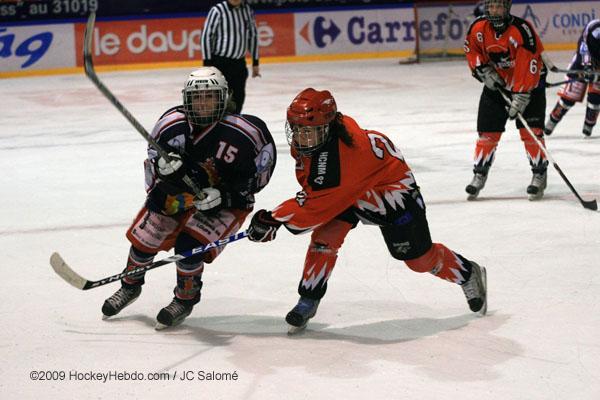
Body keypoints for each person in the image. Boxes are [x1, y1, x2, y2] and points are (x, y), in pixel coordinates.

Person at [246, 88, 487, 333]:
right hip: (351, 193)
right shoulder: (322, 137)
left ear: (327, 126)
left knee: (418, 260)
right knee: (324, 239)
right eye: (296, 129)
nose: (300, 137)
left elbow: (316, 205)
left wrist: (273, 218)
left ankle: (467, 272)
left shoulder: (348, 156)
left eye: (307, 131)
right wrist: (283, 214)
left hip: (391, 198)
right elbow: (316, 192)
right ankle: (308, 299)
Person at [101, 67, 276, 329]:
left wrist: (224, 196)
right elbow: (153, 170)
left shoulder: (246, 133)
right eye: (197, 97)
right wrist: (164, 169)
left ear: (224, 98)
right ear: (187, 99)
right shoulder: (171, 125)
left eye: (210, 96)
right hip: (178, 193)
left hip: (225, 201)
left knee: (188, 247)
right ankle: (130, 286)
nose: (203, 103)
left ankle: (185, 298)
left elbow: (257, 179)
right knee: (144, 241)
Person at [463, 0, 548, 201]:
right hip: (498, 85)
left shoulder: (522, 29)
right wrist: (481, 70)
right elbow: (472, 50)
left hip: (530, 85)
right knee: (487, 133)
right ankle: (479, 174)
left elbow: (529, 62)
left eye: (499, 6)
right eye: (491, 6)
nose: (494, 11)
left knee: (531, 132)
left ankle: (539, 174)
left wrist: (521, 94)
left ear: (507, 8)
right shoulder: (478, 28)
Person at [201, 0, 260, 114]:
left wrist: (255, 62)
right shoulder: (217, 11)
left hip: (239, 63)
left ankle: (233, 124)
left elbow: (253, 35)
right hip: (220, 63)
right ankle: (217, 125)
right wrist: (207, 65)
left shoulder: (247, 10)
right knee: (218, 98)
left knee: (238, 97)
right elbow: (206, 36)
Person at [544, 19, 600, 137]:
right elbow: (584, 48)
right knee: (568, 98)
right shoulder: (595, 29)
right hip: (582, 63)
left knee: (596, 99)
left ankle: (588, 127)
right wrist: (587, 67)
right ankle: (551, 123)